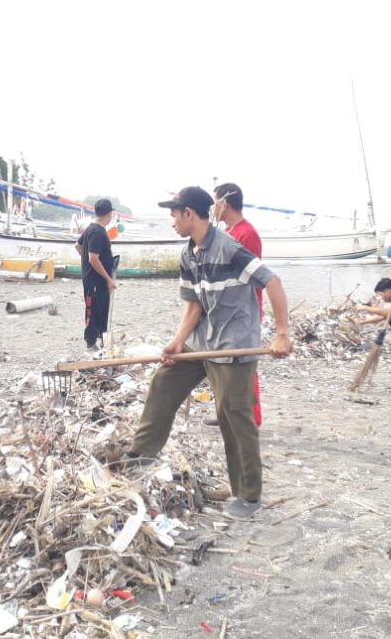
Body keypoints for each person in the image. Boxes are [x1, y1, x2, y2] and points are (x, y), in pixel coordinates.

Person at [123, 187, 292, 520]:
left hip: (233, 345)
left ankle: (248, 495)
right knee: (163, 385)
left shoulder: (230, 249)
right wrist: (177, 341)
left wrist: (282, 334)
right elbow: (194, 304)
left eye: (174, 214)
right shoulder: (189, 254)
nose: (171, 221)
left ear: (189, 214)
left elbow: (272, 282)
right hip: (201, 343)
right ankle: (140, 455)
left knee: (233, 413)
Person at [212, 183, 264, 427]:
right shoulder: (228, 232)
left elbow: (250, 277)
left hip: (243, 310)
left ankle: (251, 418)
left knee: (243, 366)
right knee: (224, 365)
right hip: (226, 310)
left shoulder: (246, 233)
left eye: (215, 203)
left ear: (224, 203)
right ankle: (228, 413)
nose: (212, 208)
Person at [75, 199, 117, 350]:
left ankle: (101, 338)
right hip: (95, 281)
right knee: (93, 311)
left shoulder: (92, 229)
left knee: (101, 309)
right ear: (109, 214)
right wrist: (107, 278)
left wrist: (87, 263)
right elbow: (93, 258)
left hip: (96, 280)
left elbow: (78, 246)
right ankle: (91, 342)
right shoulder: (97, 232)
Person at [356, 277, 391, 351]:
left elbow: (386, 313)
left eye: (381, 294)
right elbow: (382, 316)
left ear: (388, 291)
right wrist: (363, 322)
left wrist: (365, 307)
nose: (381, 298)